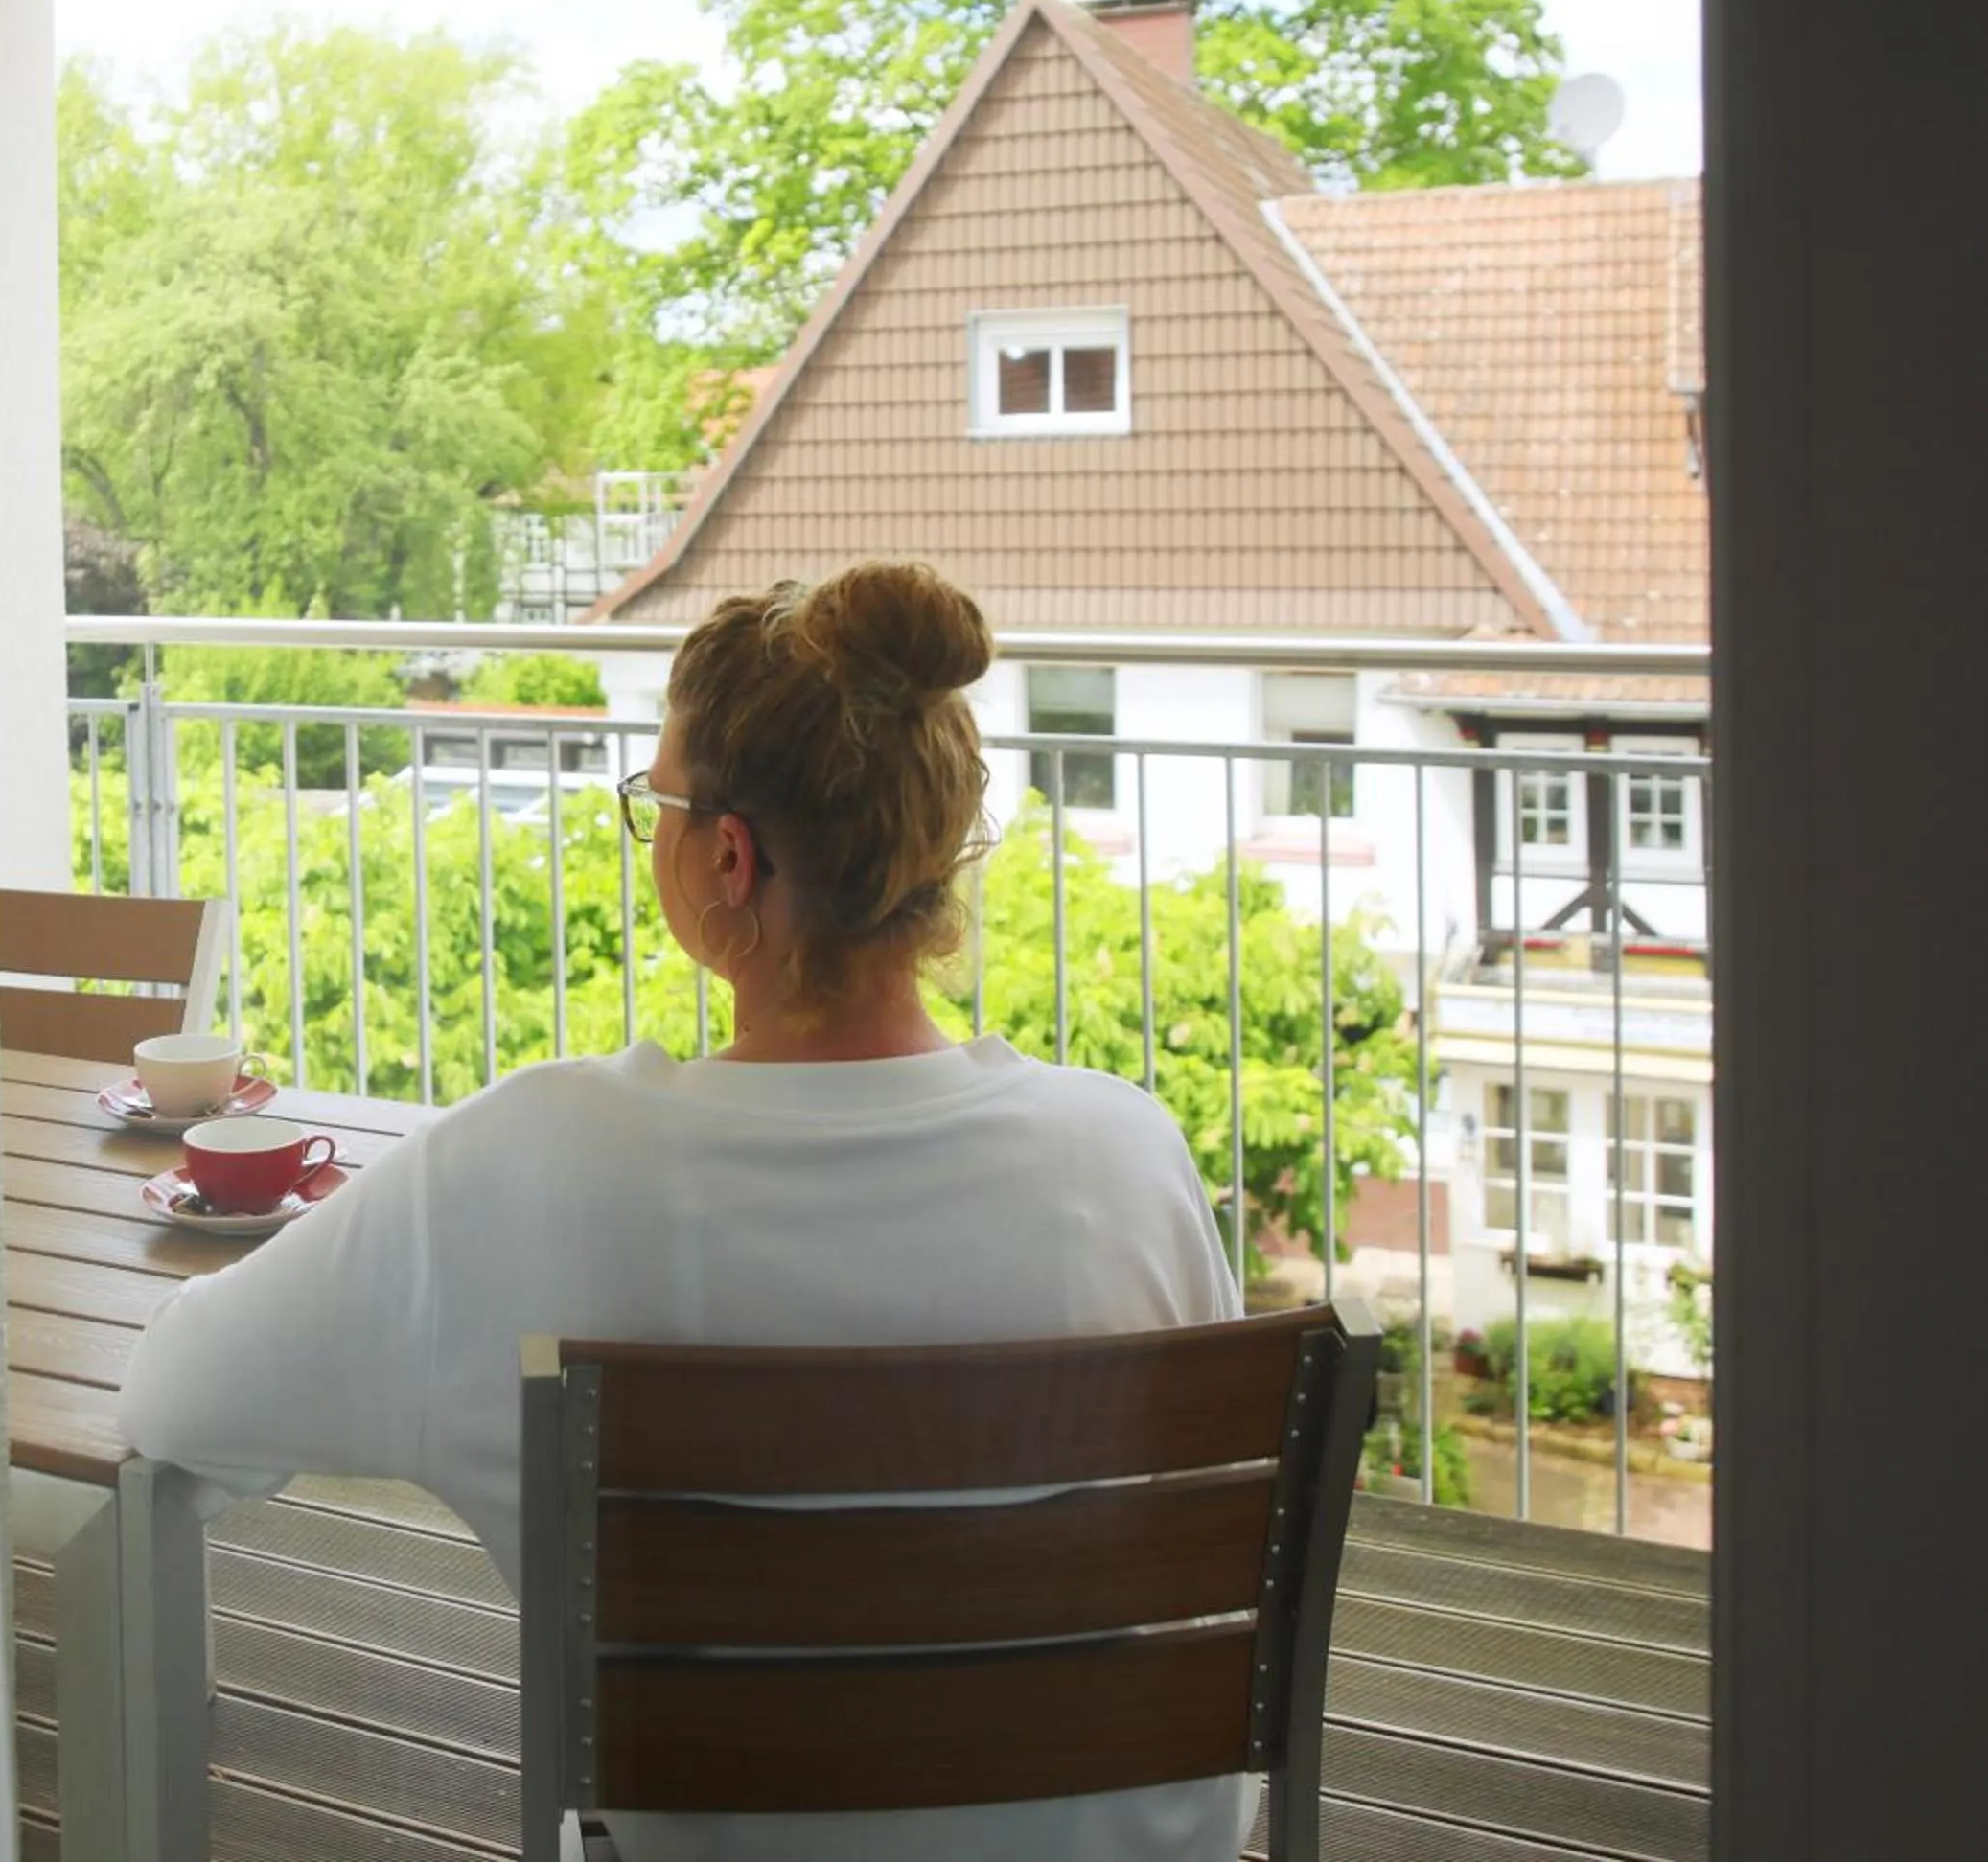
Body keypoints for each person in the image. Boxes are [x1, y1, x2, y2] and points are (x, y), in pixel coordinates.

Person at [119, 561, 1248, 1861]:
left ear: (729, 855)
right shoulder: (1128, 1155)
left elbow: (174, 1402)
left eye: (654, 802)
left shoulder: (536, 1164)